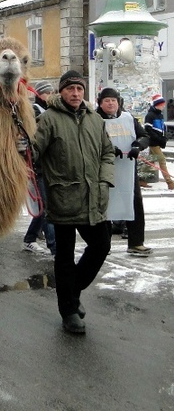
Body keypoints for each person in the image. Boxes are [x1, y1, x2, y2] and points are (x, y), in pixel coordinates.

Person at [33, 70, 114, 334]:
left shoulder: (95, 120)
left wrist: (105, 180)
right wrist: (19, 144)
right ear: (61, 91)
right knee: (65, 256)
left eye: (79, 89)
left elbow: (107, 152)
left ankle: (72, 289)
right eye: (70, 89)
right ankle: (68, 311)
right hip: (63, 197)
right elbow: (32, 152)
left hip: (94, 196)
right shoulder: (48, 120)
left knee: (101, 245)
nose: (76, 94)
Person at [96, 88, 152, 256]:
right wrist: (109, 149)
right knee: (105, 205)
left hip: (128, 169)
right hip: (104, 170)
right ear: (100, 103)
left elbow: (145, 136)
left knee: (134, 203)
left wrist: (138, 146)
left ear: (118, 102)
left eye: (113, 100)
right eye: (107, 100)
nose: (111, 103)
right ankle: (103, 245)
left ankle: (136, 243)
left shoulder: (128, 118)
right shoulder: (94, 119)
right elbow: (90, 141)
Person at [22, 80, 56, 255]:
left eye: (52, 92)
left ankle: (30, 238)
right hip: (37, 165)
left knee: (45, 207)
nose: (50, 95)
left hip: (50, 165)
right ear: (38, 94)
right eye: (47, 92)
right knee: (45, 206)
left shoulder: (52, 111)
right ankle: (54, 246)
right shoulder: (35, 111)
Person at [144, 94, 174, 190]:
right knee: (162, 161)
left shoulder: (159, 115)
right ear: (157, 105)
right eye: (162, 104)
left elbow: (160, 128)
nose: (164, 106)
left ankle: (140, 179)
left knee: (149, 163)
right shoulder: (150, 115)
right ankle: (170, 182)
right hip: (153, 142)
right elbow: (148, 129)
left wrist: (164, 137)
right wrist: (158, 138)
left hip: (158, 141)